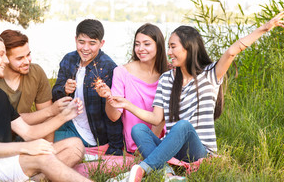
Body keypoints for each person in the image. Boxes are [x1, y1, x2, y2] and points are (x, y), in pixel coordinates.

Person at [108, 12, 284, 182]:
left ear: (188, 47)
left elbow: (232, 51)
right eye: (168, 47)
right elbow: (155, 118)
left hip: (198, 151)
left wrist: (264, 28)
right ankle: (167, 175)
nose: (169, 52)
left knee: (183, 126)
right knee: (138, 130)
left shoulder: (210, 74)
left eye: (173, 47)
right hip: (172, 150)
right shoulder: (166, 79)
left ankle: (143, 169)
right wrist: (127, 105)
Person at [0, 34, 91, 182]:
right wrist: (26, 148)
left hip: (4, 160)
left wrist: (64, 116)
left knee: (75, 145)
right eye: (1, 54)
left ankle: (34, 179)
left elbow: (29, 132)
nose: (6, 60)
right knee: (43, 159)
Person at [52, 19, 124, 155]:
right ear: (75, 40)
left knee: (41, 140)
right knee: (32, 133)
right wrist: (64, 90)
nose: (85, 48)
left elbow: (113, 113)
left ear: (101, 43)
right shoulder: (69, 59)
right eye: (81, 42)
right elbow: (55, 95)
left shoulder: (108, 68)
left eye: (92, 43)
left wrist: (115, 149)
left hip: (89, 134)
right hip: (68, 120)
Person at [95, 23, 168, 153]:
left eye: (146, 44)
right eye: (137, 44)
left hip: (165, 142)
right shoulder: (122, 72)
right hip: (134, 145)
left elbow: (162, 118)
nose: (140, 48)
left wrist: (148, 145)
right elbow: (114, 116)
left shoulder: (168, 74)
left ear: (158, 45)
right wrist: (108, 98)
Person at [0, 29, 69, 142]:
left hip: (27, 134)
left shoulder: (36, 72)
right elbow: (3, 123)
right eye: (19, 58)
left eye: (28, 55)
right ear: (5, 58)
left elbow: (47, 116)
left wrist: (49, 148)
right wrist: (52, 110)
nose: (27, 61)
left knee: (74, 145)